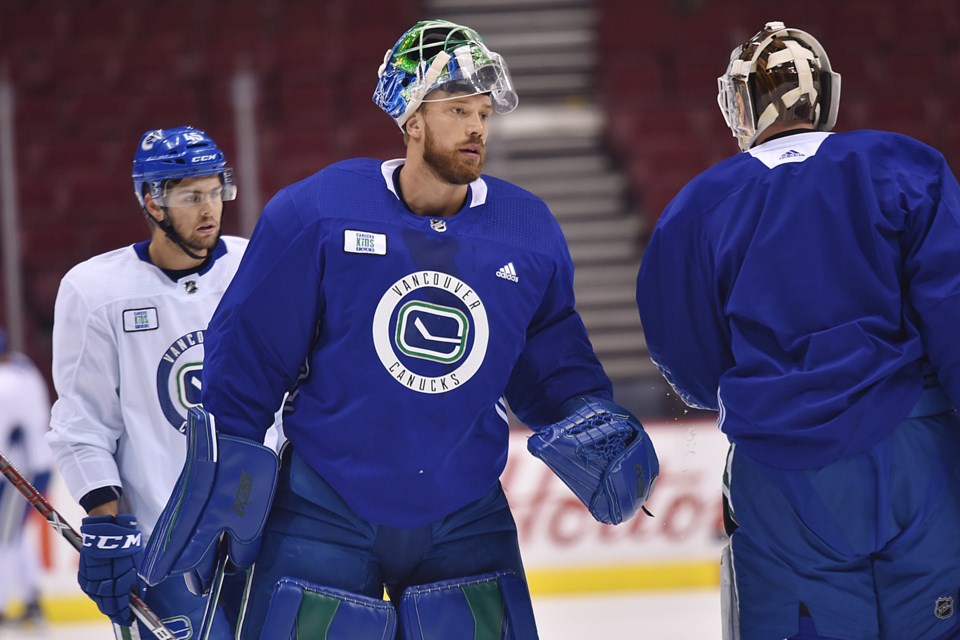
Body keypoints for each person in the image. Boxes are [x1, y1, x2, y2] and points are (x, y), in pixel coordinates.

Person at [142, 19, 658, 639]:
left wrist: (585, 411)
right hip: (325, 505)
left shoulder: (528, 229)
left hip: (464, 508)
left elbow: (551, 359)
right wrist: (225, 469)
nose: (476, 128)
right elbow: (250, 354)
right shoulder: (318, 212)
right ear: (411, 120)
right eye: (459, 109)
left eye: (485, 114)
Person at [636, 20, 960, 640]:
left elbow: (693, 367)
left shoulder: (696, 208)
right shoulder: (907, 166)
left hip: (785, 471)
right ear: (825, 96)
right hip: (920, 451)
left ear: (741, 103)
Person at [46, 126, 250, 639]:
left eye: (214, 192)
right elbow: (83, 422)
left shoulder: (257, 266)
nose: (210, 210)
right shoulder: (96, 291)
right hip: (164, 548)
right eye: (190, 197)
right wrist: (105, 519)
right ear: (151, 201)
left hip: (262, 535)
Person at [0, 328, 53, 628]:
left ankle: (4, 604)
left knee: (4, 537)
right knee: (13, 536)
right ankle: (31, 599)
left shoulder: (4, 384)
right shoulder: (22, 365)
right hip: (36, 463)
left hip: (19, 471)